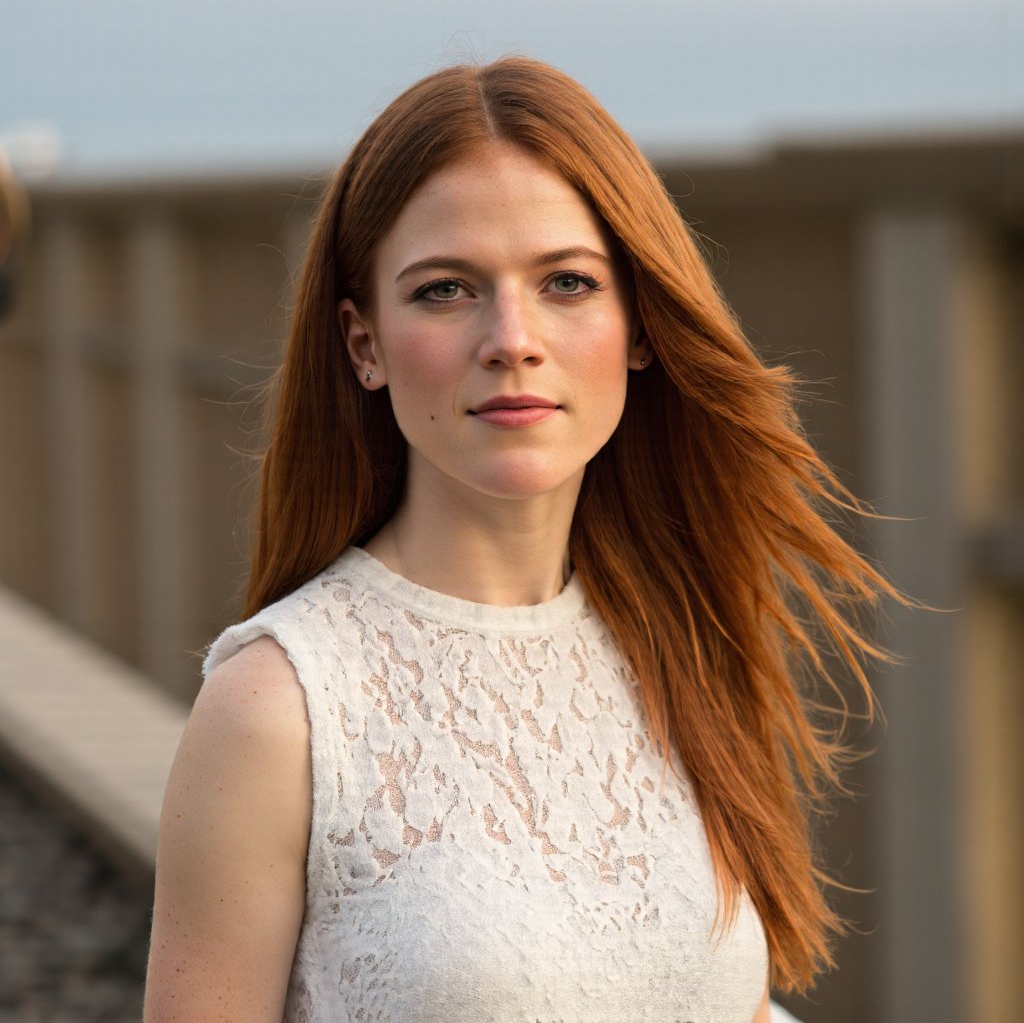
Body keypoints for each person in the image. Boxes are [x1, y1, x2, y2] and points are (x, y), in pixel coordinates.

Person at [143, 56, 896, 1023]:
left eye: (568, 282)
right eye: (446, 290)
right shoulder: (277, 708)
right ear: (364, 344)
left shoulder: (677, 641)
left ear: (639, 326)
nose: (513, 338)